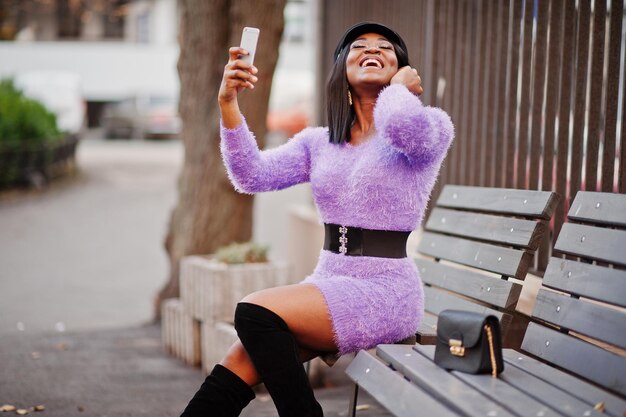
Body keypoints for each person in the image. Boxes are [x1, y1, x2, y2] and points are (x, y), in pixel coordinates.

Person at [180, 21, 454, 417]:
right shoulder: (319, 143)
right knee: (239, 359)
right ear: (341, 66)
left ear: (401, 69)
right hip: (330, 280)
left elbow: (400, 127)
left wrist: (396, 93)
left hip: (386, 291)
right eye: (358, 45)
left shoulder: (431, 127)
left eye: (386, 47)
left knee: (253, 311)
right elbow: (250, 175)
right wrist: (228, 104)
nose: (372, 50)